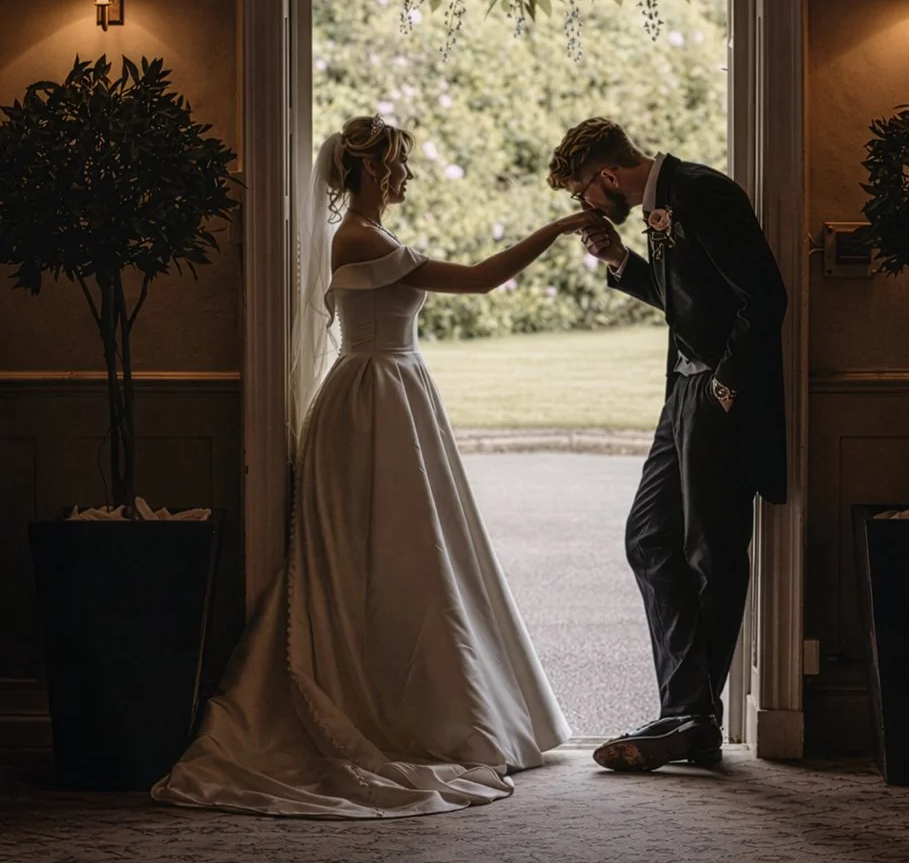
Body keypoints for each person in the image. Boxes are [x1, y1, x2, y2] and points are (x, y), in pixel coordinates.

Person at [153, 114, 594, 819]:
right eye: (394, 165)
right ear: (365, 170)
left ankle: (424, 694)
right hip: (373, 398)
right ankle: (395, 703)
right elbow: (479, 282)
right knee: (389, 550)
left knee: (418, 550)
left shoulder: (373, 234)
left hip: (398, 390)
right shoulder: (355, 236)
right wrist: (558, 228)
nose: (404, 175)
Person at [547, 117, 787, 772]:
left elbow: (764, 295)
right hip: (679, 395)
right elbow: (687, 302)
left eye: (584, 194)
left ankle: (687, 718)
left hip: (714, 393)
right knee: (649, 538)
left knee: (714, 549)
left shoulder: (702, 192)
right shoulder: (655, 208)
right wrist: (621, 261)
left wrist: (728, 384)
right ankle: (690, 714)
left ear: (605, 177)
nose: (588, 208)